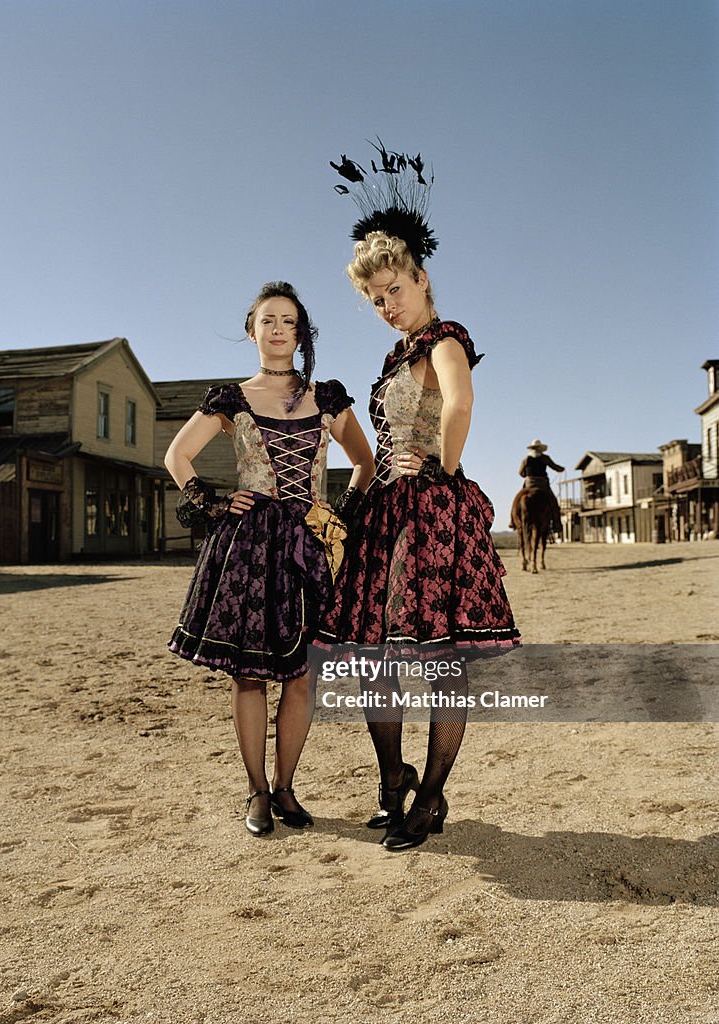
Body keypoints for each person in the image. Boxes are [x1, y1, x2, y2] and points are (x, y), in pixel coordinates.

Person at [322, 142, 520, 852]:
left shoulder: (444, 338)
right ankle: (393, 779)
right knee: (376, 657)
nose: (385, 306)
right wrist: (354, 497)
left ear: (421, 277)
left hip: (432, 514)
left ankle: (431, 797)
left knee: (439, 662)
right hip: (385, 515)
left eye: (394, 290)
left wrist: (442, 463)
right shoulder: (394, 355)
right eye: (374, 299)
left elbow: (460, 402)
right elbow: (377, 447)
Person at [166, 281, 374, 838]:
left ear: (301, 332)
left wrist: (339, 514)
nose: (279, 329)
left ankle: (286, 786)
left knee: (302, 673)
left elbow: (364, 462)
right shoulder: (230, 398)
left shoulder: (327, 397)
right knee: (250, 673)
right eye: (268, 320)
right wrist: (209, 500)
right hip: (251, 542)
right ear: (252, 331)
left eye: (289, 320)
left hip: (309, 542)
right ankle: (256, 790)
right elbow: (177, 454)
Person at [509, 440, 564, 534]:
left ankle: (512, 521)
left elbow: (521, 473)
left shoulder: (526, 459)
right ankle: (556, 524)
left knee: (516, 501)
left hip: (528, 484)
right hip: (542, 484)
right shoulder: (545, 458)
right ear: (540, 449)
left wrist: (528, 474)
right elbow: (555, 467)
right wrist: (561, 469)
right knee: (553, 502)